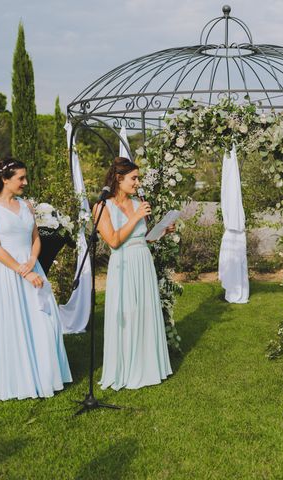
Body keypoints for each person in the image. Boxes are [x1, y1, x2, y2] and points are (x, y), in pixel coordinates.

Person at [0, 158, 72, 401]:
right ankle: (21, 380)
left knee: (45, 321)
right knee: (15, 325)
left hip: (32, 267)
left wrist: (32, 259)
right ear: (4, 179)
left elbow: (36, 237)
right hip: (8, 272)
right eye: (20, 178)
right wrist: (23, 270)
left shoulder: (26, 204)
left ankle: (46, 376)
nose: (25, 182)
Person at [94, 157, 173, 391]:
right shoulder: (102, 207)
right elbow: (114, 240)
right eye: (134, 178)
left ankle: (149, 366)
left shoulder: (137, 201)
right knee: (127, 312)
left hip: (143, 260)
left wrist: (163, 231)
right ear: (119, 179)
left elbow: (142, 236)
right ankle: (126, 368)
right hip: (123, 264)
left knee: (145, 311)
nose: (138, 183)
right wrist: (136, 216)